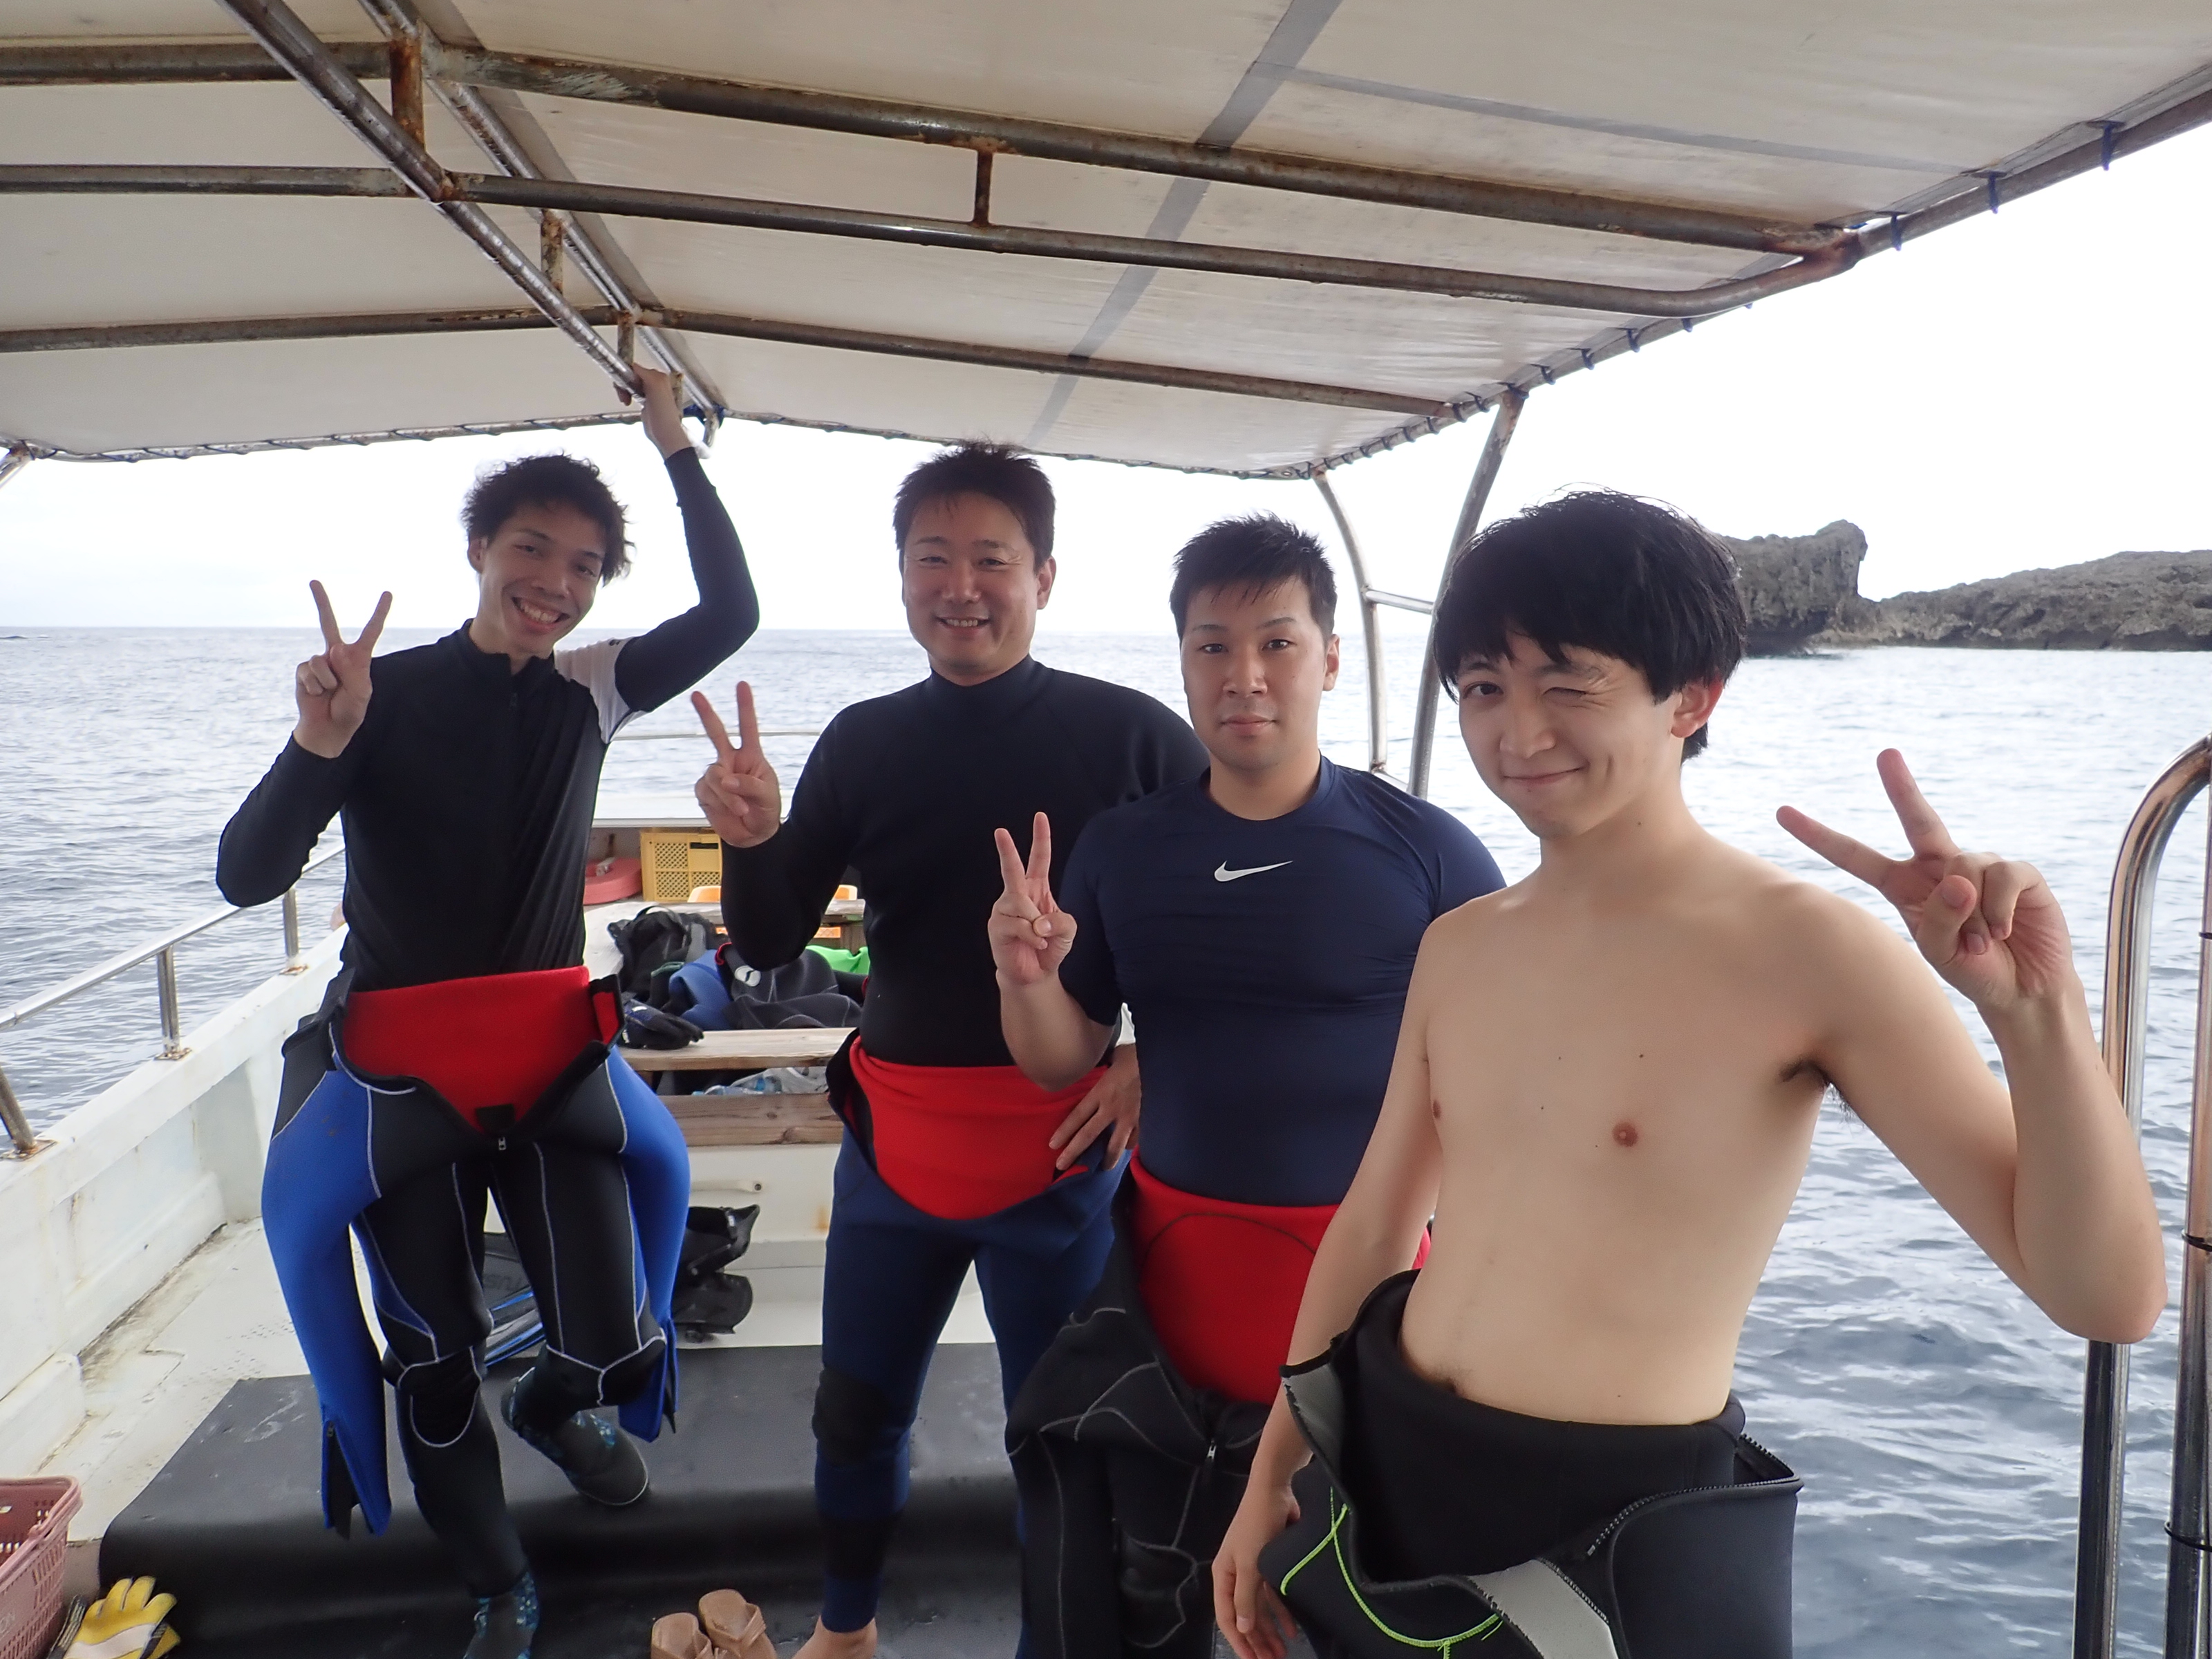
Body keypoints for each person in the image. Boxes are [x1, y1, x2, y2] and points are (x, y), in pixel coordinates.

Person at [1209, 491, 2167, 1659]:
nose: (1519, 732)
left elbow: (2106, 1297)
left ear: (1693, 696)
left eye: (1568, 684)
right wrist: (1275, 1471)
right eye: (1484, 687)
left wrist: (2038, 1017)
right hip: (1393, 1475)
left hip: (1612, 1532)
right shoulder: (1459, 945)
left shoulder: (1809, 952)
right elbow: (1372, 1229)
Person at [217, 368, 758, 1659]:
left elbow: (733, 611)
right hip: (400, 1076)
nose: (554, 582)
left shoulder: (594, 687)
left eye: (583, 566)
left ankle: (558, 1407)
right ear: (478, 549)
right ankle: (497, 1586)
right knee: (435, 1356)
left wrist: (676, 450)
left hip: (546, 1056)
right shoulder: (377, 696)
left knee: (617, 1337)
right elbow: (247, 876)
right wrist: (319, 742)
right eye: (530, 549)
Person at [688, 442, 1209, 1659]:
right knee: (854, 1416)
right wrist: (752, 842)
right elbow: (768, 942)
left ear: (1045, 577)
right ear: (902, 577)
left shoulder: (1134, 739)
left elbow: (1219, 919)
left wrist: (1153, 1057)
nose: (960, 587)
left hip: (1061, 1158)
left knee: (1057, 1442)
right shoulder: (864, 742)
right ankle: (846, 1631)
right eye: (934, 558)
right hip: (896, 1156)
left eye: (991, 560)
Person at [983, 515, 1503, 1657]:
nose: (1244, 676)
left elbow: (1510, 1077)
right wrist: (1028, 980)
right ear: (1182, 663)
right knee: (1159, 1604)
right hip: (1174, 1289)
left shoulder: (1428, 853)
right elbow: (1063, 1058)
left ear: (1329, 659)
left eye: (1277, 642)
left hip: (1361, 1295)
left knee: (1348, 1614)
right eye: (1213, 647)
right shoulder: (1124, 848)